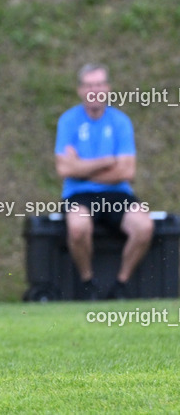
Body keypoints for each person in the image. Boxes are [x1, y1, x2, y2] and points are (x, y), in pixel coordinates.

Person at [55, 63, 154, 300]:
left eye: (99, 84)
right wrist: (108, 161)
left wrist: (81, 167)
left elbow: (127, 172)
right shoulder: (68, 121)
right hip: (79, 194)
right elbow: (64, 168)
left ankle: (121, 284)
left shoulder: (120, 122)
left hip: (117, 193)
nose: (94, 90)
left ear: (107, 88)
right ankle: (88, 283)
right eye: (89, 85)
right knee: (78, 228)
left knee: (144, 226)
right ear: (80, 90)